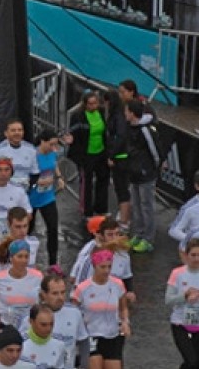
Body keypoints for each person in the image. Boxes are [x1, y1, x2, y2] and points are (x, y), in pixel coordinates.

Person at [72, 249, 131, 368]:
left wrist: (125, 322)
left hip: (113, 335)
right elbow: (73, 313)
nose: (106, 271)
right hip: (91, 336)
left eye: (109, 267)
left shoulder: (118, 285)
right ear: (94, 266)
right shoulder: (83, 289)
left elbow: (123, 308)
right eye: (102, 267)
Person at [124, 100, 163, 253]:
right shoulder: (130, 127)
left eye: (127, 111)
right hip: (134, 173)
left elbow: (155, 151)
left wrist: (154, 168)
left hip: (146, 173)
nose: (125, 114)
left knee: (147, 205)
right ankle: (139, 234)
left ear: (132, 113)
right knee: (136, 204)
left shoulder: (145, 130)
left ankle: (149, 238)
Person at [65, 91, 109, 218]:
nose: (93, 106)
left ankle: (101, 208)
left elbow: (104, 132)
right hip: (85, 155)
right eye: (90, 104)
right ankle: (87, 211)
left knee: (103, 179)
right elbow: (73, 134)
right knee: (86, 183)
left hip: (100, 152)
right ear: (85, 104)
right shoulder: (78, 116)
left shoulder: (101, 112)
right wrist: (71, 141)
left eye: (95, 103)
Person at [0, 240, 43, 334]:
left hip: (28, 329)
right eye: (19, 256)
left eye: (26, 256)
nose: (23, 260)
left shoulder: (38, 277)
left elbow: (43, 300)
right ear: (11, 258)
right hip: (4, 328)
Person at [29, 129, 63, 267]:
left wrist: (59, 177)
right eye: (51, 144)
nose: (53, 148)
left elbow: (54, 164)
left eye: (56, 145)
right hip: (31, 197)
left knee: (53, 228)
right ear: (42, 142)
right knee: (27, 231)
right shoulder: (33, 155)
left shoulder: (52, 153)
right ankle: (26, 261)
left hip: (47, 197)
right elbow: (25, 174)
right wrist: (37, 181)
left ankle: (53, 263)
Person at [167, 238, 199, 369]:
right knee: (191, 361)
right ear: (186, 255)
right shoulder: (177, 273)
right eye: (193, 255)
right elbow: (168, 299)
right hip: (180, 322)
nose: (197, 259)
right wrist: (184, 295)